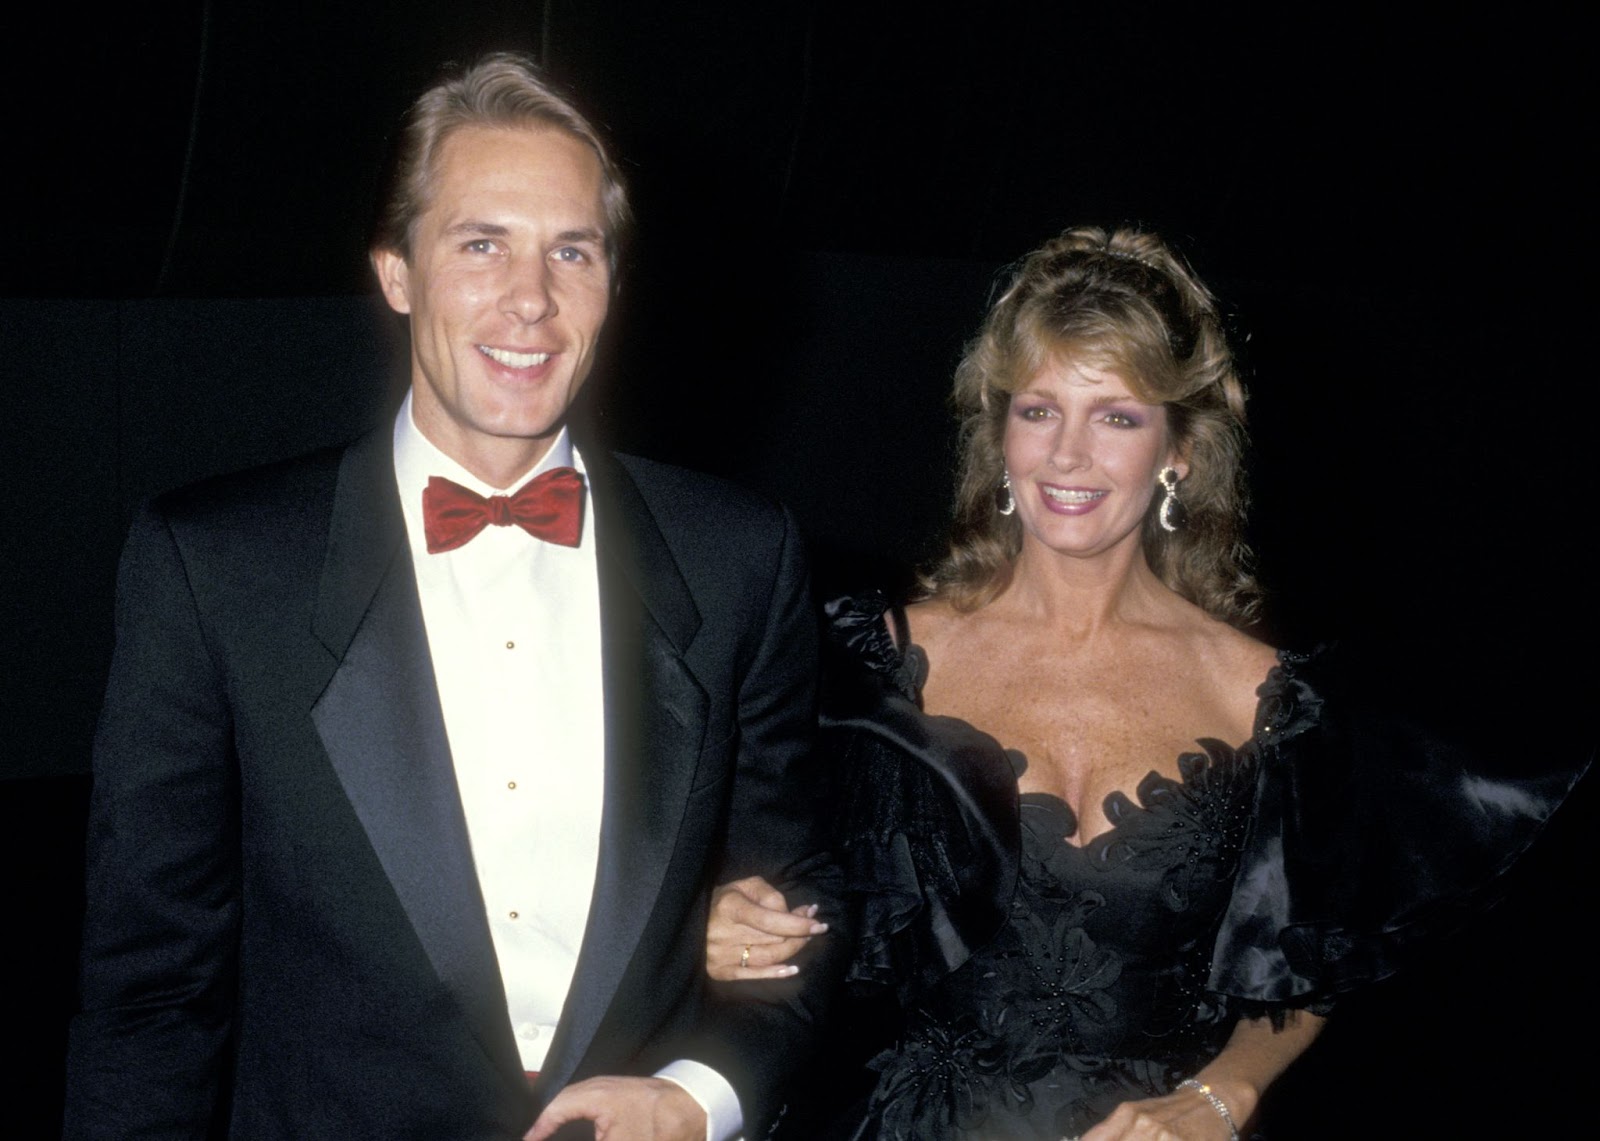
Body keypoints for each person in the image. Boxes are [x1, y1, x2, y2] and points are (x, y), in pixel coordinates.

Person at [63, 53, 837, 1141]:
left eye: (573, 251)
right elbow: (148, 999)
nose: (532, 300)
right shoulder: (216, 568)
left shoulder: (738, 556)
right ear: (396, 271)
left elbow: (797, 916)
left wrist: (699, 1096)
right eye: (482, 246)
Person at [705, 225, 1576, 1139]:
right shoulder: (867, 667)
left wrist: (1222, 1096)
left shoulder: (1270, 701)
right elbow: (738, 862)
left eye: (1116, 416)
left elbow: (1312, 965)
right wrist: (712, 918)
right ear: (1000, 433)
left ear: (1179, 451)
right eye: (1039, 409)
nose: (1067, 455)